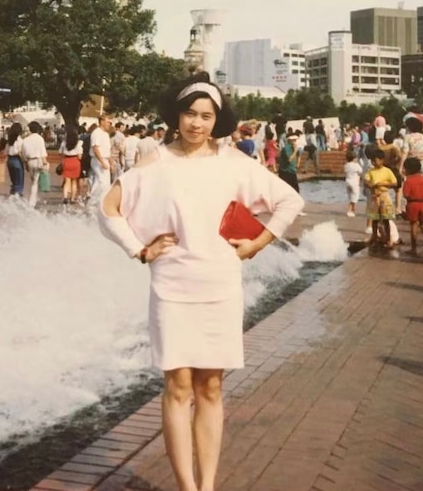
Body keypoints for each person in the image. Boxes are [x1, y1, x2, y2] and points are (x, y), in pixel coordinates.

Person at [98, 71, 304, 491]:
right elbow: (106, 210)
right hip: (172, 286)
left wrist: (258, 243)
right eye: (189, 114)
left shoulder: (234, 163)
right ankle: (186, 488)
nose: (196, 123)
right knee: (177, 387)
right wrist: (140, 249)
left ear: (218, 120)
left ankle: (206, 486)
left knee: (210, 385)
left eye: (206, 116)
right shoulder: (156, 161)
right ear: (176, 115)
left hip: (220, 286)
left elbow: (289, 199)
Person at [364, 146, 397, 248]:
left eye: (376, 161)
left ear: (382, 160)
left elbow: (394, 183)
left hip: (384, 195)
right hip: (374, 196)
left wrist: (383, 184)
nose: (374, 163)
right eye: (372, 161)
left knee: (386, 218)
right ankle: (374, 236)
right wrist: (370, 185)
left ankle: (388, 238)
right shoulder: (371, 171)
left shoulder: (387, 171)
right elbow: (366, 181)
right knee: (374, 218)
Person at [402, 156, 423, 256]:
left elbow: (406, 194)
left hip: (412, 204)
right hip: (422, 204)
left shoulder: (409, 180)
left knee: (413, 225)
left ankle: (414, 248)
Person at [21, 121, 49, 207]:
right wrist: (45, 164)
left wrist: (25, 163)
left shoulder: (25, 140)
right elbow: (43, 153)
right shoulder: (40, 139)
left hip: (30, 161)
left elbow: (23, 153)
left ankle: (31, 197)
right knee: (35, 182)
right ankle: (32, 201)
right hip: (38, 160)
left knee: (33, 180)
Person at [89, 115, 113, 201]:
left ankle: (99, 200)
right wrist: (102, 162)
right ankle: (93, 199)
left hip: (105, 159)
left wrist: (111, 163)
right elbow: (95, 148)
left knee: (105, 182)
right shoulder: (96, 133)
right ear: (102, 122)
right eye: (107, 122)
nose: (109, 124)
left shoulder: (106, 134)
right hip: (98, 159)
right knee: (101, 181)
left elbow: (107, 150)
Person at [59, 125, 83, 204]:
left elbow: (60, 153)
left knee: (67, 180)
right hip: (75, 161)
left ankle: (65, 197)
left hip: (67, 161)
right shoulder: (78, 143)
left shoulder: (64, 143)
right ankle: (72, 198)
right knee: (74, 181)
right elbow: (80, 156)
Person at [5, 122, 25, 197]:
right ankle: (17, 193)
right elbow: (20, 152)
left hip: (10, 160)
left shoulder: (10, 140)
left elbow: (6, 151)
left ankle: (13, 191)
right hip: (17, 159)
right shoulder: (20, 140)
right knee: (19, 179)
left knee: (13, 179)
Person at [344, 150, 362, 218]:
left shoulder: (346, 165)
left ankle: (353, 209)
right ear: (354, 158)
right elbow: (360, 171)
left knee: (350, 196)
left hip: (347, 181)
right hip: (354, 182)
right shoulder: (355, 165)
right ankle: (349, 210)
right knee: (355, 197)